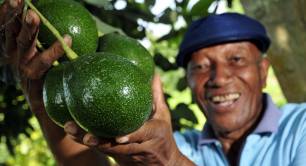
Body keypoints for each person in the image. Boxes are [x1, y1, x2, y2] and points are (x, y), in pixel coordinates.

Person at [1, 0, 306, 165]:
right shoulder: (182, 144)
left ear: (264, 71)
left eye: (236, 60)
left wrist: (172, 163)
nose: (219, 78)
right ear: (187, 80)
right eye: (200, 66)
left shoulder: (302, 128)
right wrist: (42, 99)